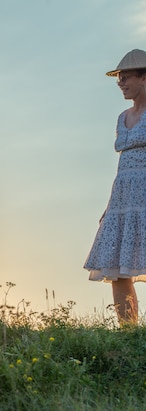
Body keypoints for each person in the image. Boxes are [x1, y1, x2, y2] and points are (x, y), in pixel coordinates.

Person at [85, 49, 146, 326]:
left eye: (126, 77)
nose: (120, 83)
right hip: (123, 197)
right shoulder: (122, 117)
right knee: (118, 265)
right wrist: (110, 207)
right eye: (119, 78)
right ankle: (129, 331)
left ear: (144, 78)